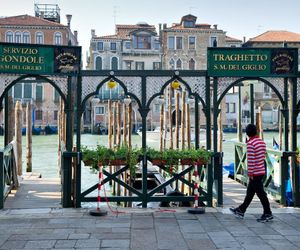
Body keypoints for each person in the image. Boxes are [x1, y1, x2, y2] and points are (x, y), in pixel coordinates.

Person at [230, 124, 273, 222]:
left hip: (255, 173)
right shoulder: (262, 142)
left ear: (247, 134)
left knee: (261, 194)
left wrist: (250, 174)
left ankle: (268, 213)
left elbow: (251, 160)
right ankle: (241, 210)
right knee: (250, 193)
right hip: (261, 170)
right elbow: (262, 157)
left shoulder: (250, 144)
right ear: (256, 131)